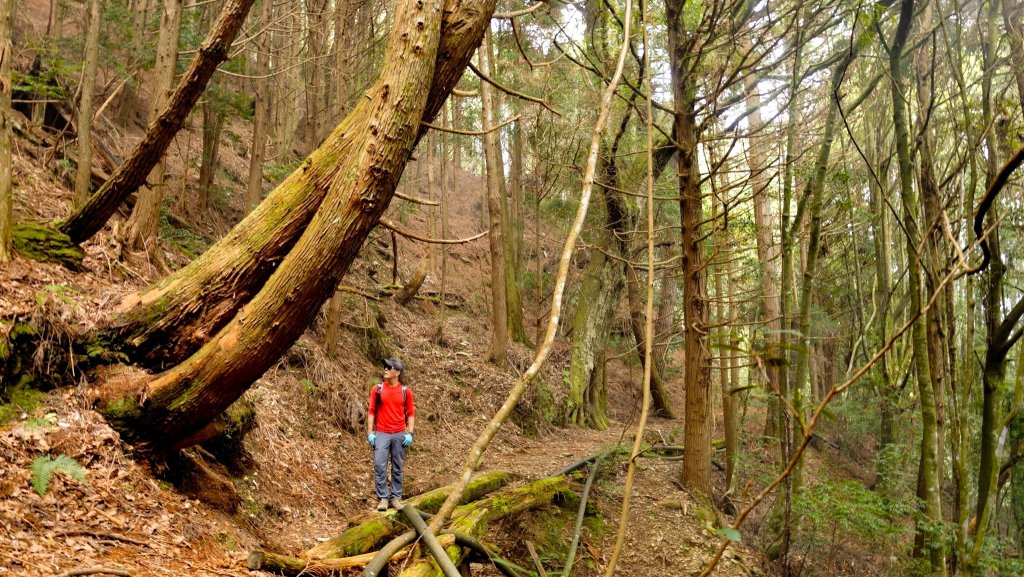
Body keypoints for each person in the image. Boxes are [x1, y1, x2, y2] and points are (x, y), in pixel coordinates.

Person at [367, 357, 415, 511]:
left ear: (397, 372)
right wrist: (370, 433)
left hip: (399, 434)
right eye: (385, 367)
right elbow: (371, 411)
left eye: (389, 367)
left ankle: (395, 497)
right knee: (380, 465)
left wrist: (410, 433)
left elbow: (411, 413)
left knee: (397, 467)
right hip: (381, 433)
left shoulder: (405, 391)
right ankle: (383, 498)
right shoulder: (378, 389)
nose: (385, 369)